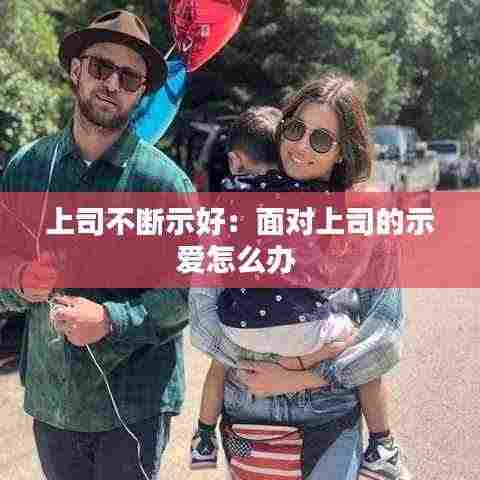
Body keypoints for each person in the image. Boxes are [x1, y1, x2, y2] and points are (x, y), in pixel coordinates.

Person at [0, 10, 193, 480]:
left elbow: (186, 294)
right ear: (76, 69)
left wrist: (109, 319)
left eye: (129, 77)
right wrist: (20, 282)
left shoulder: (164, 185)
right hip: (53, 404)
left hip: (133, 409)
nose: (112, 84)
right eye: (101, 66)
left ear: (142, 92)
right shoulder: (28, 168)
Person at [190, 74, 410, 480]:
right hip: (247, 417)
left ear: (342, 153)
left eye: (321, 140)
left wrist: (300, 373)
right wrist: (293, 359)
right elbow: (202, 322)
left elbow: (385, 335)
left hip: (329, 416)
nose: (302, 146)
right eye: (296, 130)